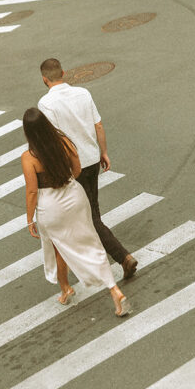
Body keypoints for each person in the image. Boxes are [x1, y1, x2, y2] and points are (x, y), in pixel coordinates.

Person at [22, 107, 132, 317]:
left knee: (58, 246)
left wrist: (29, 219)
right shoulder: (64, 142)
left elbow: (31, 191)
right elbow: (78, 169)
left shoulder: (29, 157)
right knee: (91, 243)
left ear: (28, 132)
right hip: (75, 196)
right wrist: (66, 182)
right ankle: (114, 290)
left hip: (51, 206)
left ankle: (66, 289)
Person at [38, 57, 138, 280]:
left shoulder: (46, 104)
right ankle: (106, 257)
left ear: (44, 79)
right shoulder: (83, 93)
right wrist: (103, 152)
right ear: (63, 73)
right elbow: (98, 124)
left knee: (90, 218)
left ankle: (123, 257)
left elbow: (55, 139)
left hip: (73, 167)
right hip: (92, 159)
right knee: (92, 212)